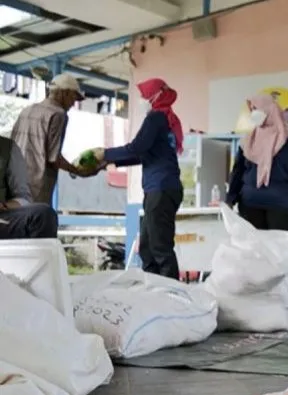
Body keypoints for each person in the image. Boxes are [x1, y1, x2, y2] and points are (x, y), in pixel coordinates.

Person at [92, 78, 184, 280]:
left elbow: (136, 147)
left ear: (156, 96)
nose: (142, 100)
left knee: (160, 247)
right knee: (147, 248)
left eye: (144, 96)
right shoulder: (167, 119)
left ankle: (172, 294)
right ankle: (152, 288)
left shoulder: (156, 118)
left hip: (161, 188)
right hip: (161, 188)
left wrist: (105, 153)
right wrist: (110, 162)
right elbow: (143, 154)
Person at [226, 93, 288, 232]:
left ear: (269, 109)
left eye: (256, 109)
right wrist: (230, 198)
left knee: (282, 251)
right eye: (252, 109)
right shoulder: (249, 140)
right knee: (254, 251)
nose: (253, 113)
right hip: (250, 204)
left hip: (282, 205)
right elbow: (238, 170)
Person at [11, 73, 98, 205]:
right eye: (74, 99)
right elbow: (53, 158)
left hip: (13, 182)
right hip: (36, 187)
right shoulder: (58, 114)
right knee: (38, 223)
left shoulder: (27, 110)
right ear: (65, 93)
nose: (73, 104)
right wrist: (77, 171)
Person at [0, 136, 58, 239]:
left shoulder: (7, 148)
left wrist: (4, 205)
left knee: (43, 215)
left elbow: (23, 198)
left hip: (3, 218)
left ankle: (41, 255)